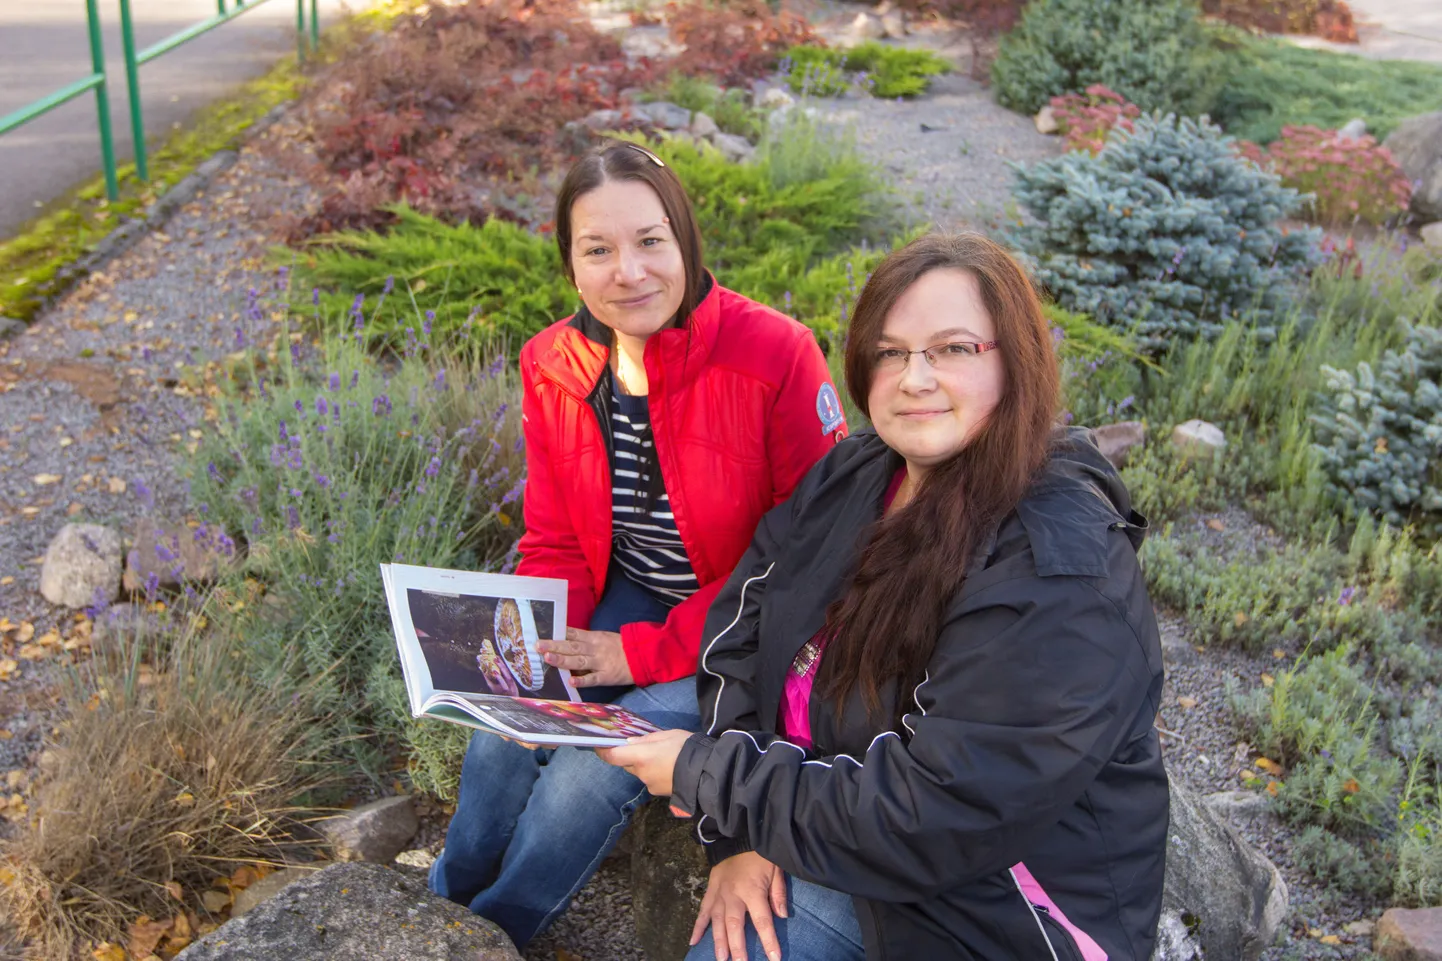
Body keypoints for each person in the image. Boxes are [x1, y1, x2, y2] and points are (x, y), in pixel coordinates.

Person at [601, 232, 1168, 961]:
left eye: (954, 349)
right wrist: (739, 832)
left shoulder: (1062, 574)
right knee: (605, 752)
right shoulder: (860, 471)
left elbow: (934, 814)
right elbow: (743, 624)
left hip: (976, 903)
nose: (915, 378)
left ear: (1016, 361)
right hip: (828, 802)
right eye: (891, 351)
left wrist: (710, 775)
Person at [428, 140, 848, 948]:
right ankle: (438, 915)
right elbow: (553, 538)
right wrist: (535, 652)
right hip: (634, 592)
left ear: (685, 241)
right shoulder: (553, 361)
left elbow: (804, 568)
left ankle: (497, 935)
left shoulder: (777, 355)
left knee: (593, 765)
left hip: (747, 626)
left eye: (651, 241)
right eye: (599, 249)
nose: (630, 271)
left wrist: (638, 655)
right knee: (499, 737)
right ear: (570, 263)